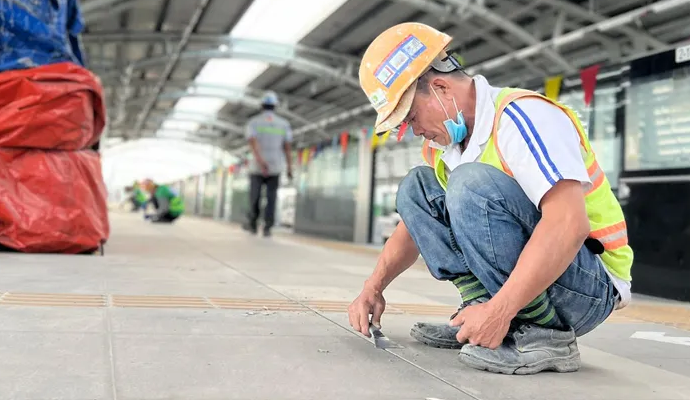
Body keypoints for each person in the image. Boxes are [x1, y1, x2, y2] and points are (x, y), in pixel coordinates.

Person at [347, 22, 633, 375]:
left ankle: (546, 333)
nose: (413, 131)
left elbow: (569, 224)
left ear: (439, 88)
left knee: (469, 183)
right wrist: (372, 287)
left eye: (410, 118)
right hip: (543, 282)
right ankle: (478, 308)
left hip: (587, 287)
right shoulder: (442, 147)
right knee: (416, 187)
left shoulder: (523, 118)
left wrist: (500, 313)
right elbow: (414, 226)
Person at [244, 91, 294, 236]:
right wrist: (290, 167)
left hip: (257, 167)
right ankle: (267, 227)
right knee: (271, 198)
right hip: (276, 166)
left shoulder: (253, 122)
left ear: (261, 106)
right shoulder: (284, 124)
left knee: (255, 197)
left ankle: (253, 224)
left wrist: (260, 161)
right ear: (275, 106)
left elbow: (253, 144)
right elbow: (287, 148)